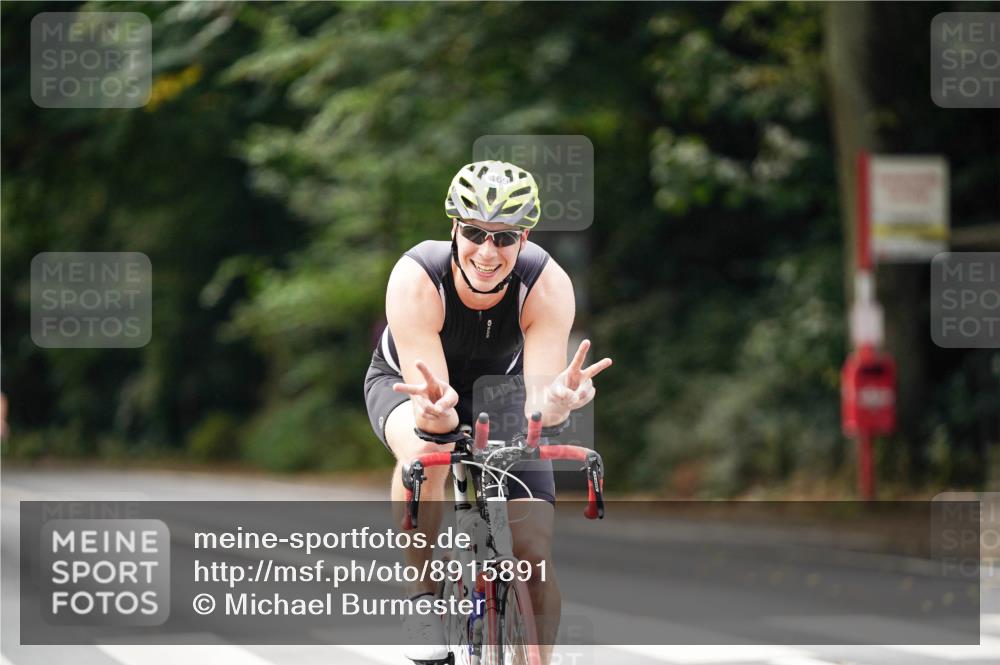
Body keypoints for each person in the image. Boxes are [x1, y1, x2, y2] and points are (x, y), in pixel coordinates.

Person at [364, 160, 611, 665]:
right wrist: (435, 413)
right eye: (475, 232)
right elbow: (432, 412)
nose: (487, 250)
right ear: (454, 228)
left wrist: (559, 401)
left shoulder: (546, 285)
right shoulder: (417, 277)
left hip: (502, 394)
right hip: (412, 384)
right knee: (425, 451)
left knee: (534, 556)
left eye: (504, 238)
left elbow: (539, 403)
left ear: (525, 238)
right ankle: (423, 598)